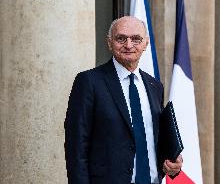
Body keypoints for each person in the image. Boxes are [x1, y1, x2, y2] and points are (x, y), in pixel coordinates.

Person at [65, 16, 182, 184]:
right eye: (121, 38)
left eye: (136, 39)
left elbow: (151, 139)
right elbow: (76, 148)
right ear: (109, 42)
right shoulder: (89, 82)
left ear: (145, 44)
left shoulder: (155, 86)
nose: (128, 45)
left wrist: (172, 164)